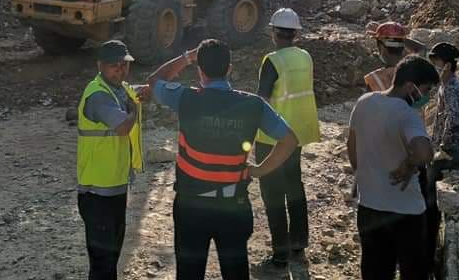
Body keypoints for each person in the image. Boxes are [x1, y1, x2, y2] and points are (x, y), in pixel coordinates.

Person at [148, 39, 299, 280]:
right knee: (236, 271)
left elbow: (154, 79)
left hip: (191, 207)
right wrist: (259, 171)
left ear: (200, 70)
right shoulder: (253, 104)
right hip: (233, 206)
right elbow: (290, 140)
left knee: (189, 273)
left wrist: (187, 57)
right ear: (229, 68)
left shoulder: (185, 98)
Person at [348, 56, 440, 280]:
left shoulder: (365, 102)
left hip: (369, 207)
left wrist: (364, 176)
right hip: (405, 212)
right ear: (410, 87)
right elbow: (424, 153)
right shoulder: (407, 115)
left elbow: (351, 145)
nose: (426, 97)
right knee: (413, 272)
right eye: (425, 90)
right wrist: (410, 164)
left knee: (375, 270)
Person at [76, 40, 151, 280]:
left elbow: (143, 88)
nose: (120, 70)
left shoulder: (119, 89)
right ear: (100, 66)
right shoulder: (98, 95)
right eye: (113, 66)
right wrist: (133, 110)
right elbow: (122, 127)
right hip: (97, 193)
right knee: (102, 262)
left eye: (124, 65)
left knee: (111, 255)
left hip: (115, 187)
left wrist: (187, 58)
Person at [255, 8, 321, 268]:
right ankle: (298, 247)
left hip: (273, 139)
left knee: (273, 194)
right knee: (294, 188)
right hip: (297, 135)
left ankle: (279, 257)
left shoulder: (272, 60)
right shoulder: (305, 56)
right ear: (295, 33)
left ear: (273, 32)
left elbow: (261, 101)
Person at [428, 42, 459, 170]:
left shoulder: (452, 87)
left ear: (448, 66)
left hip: (451, 152)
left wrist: (443, 147)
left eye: (436, 64)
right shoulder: (445, 84)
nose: (434, 68)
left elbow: (454, 120)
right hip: (445, 148)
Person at [363, 22, 408, 92]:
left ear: (381, 47)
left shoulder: (375, 79)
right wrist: (398, 37)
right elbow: (421, 48)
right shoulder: (414, 71)